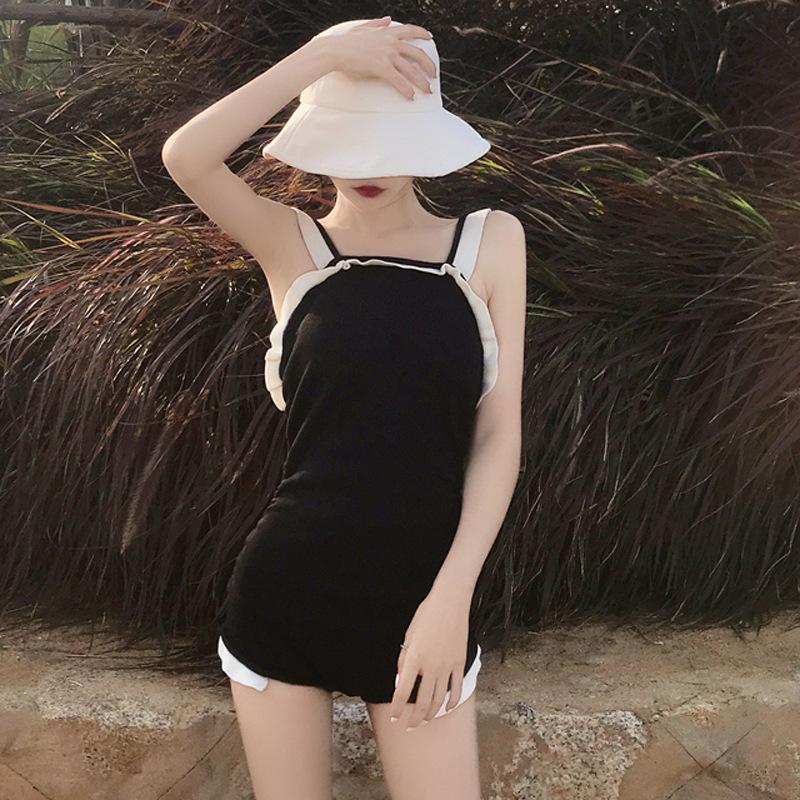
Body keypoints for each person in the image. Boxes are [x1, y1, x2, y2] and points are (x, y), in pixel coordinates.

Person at [162, 15, 525, 800]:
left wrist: (451, 600)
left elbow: (498, 433)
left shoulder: (489, 242)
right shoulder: (292, 244)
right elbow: (186, 156)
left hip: (425, 599)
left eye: (388, 142)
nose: (369, 168)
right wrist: (322, 56)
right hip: (286, 590)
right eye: (350, 140)